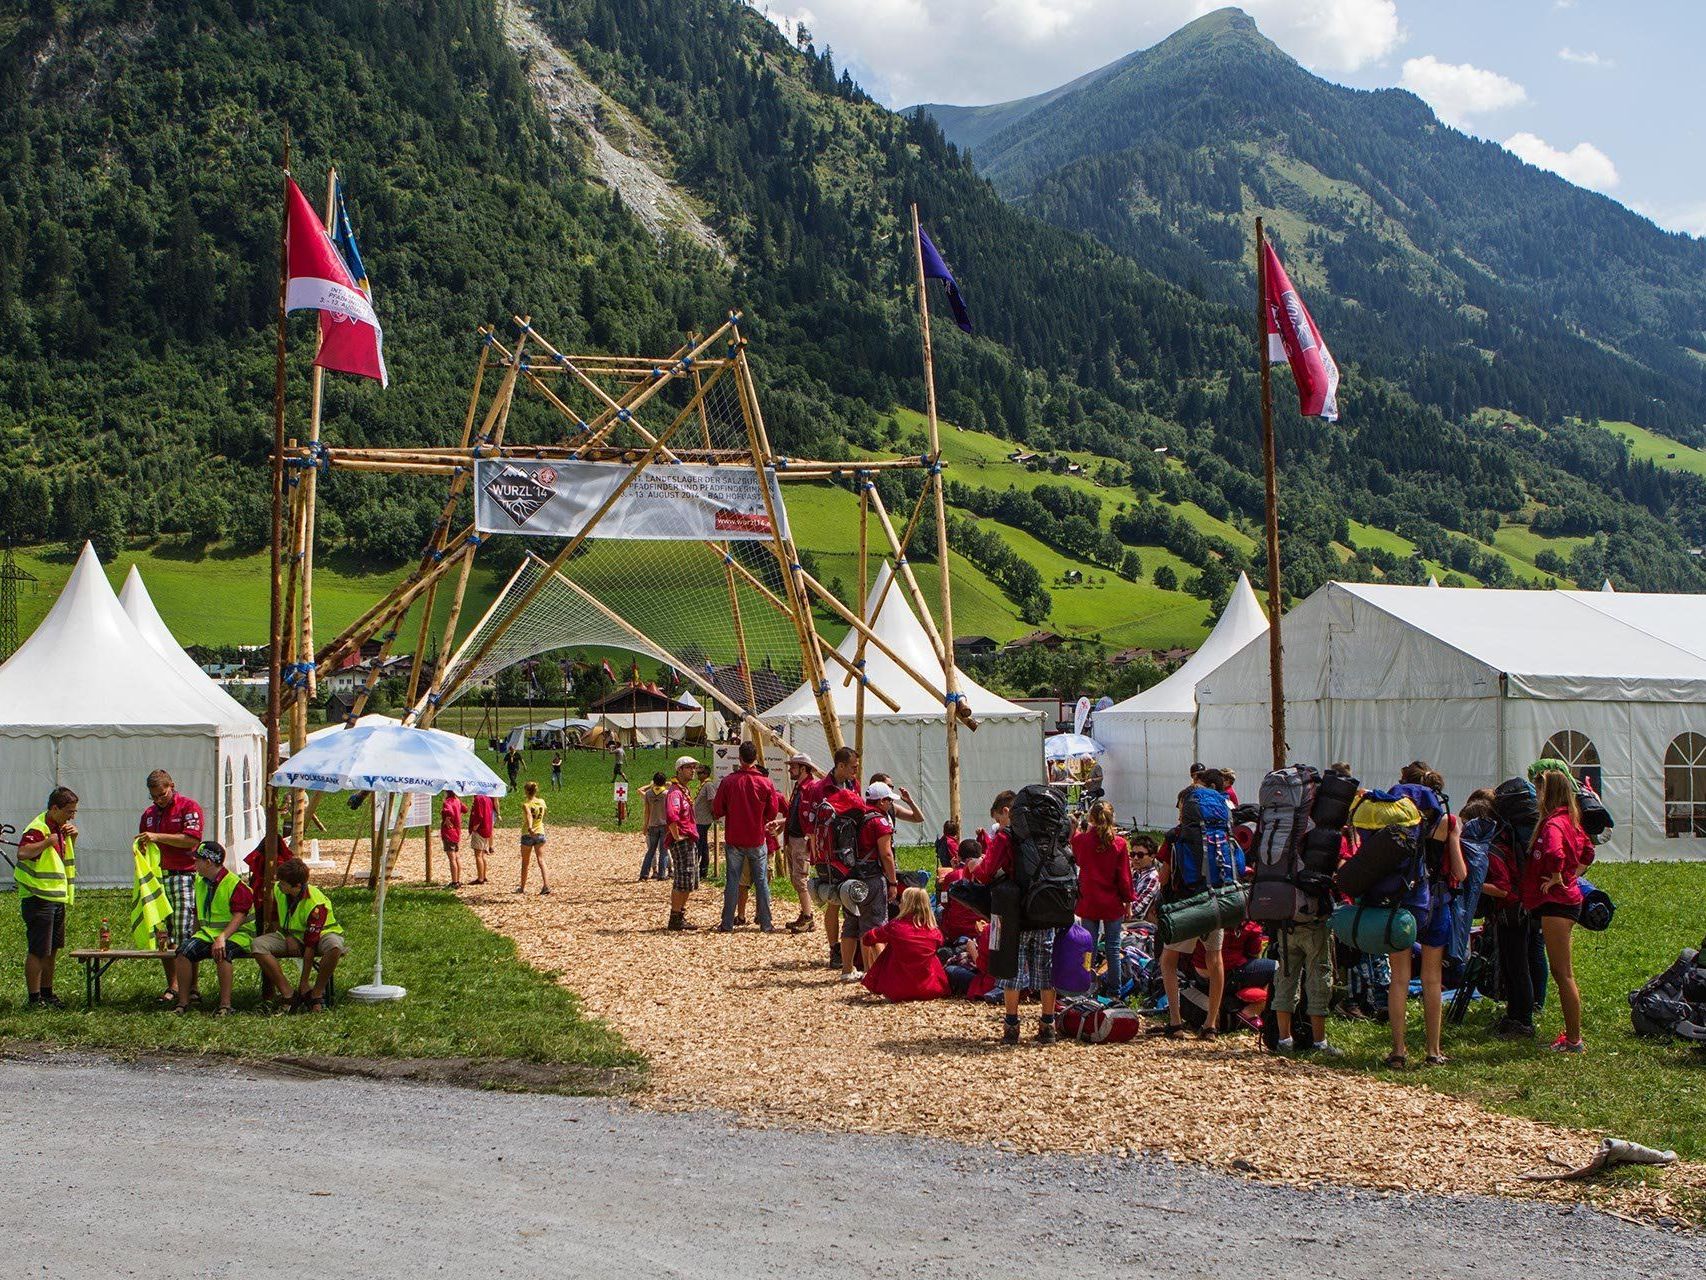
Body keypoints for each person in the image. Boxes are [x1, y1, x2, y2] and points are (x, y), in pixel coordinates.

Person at [1384, 767, 1466, 1068]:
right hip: (1437, 905)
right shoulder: (1448, 822)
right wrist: (1454, 836)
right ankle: (1433, 1051)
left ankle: (1398, 1050)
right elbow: (1460, 873)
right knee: (1433, 979)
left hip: (1402, 904)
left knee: (1400, 979)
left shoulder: (1396, 819)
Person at [1150, 769, 1237, 1040]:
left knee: (1169, 960)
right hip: (1216, 901)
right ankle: (1211, 1023)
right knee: (1214, 960)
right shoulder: (1222, 832)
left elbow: (1164, 876)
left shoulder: (1176, 836)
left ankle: (1175, 1022)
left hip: (1186, 904)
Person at [970, 790, 1058, 1044]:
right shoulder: (1047, 831)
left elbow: (986, 873)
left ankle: (1011, 1026)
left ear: (1007, 811)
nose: (998, 822)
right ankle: (1047, 1025)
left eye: (998, 816)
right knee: (1045, 967)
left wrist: (977, 867)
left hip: (1017, 910)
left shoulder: (1006, 836)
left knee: (1014, 970)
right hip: (1047, 906)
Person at [1523, 769, 1593, 1053]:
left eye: (1540, 790)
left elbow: (1554, 852)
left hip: (1557, 903)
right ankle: (1572, 1034)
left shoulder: (1553, 824)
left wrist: (1556, 876)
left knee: (1562, 973)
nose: (1537, 796)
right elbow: (1588, 851)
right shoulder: (1571, 820)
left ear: (1548, 793)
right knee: (1563, 971)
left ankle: (1574, 1040)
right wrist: (1572, 874)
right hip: (1568, 899)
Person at [139, 769, 206, 1004]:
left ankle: (193, 987)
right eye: (154, 796)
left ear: (172, 786)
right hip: (158, 878)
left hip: (183, 875)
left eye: (162, 794)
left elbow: (191, 839)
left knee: (185, 933)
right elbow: (146, 842)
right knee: (163, 935)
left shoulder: (189, 807)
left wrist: (158, 837)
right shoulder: (148, 814)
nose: (159, 800)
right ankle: (174, 985)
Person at [251, 857, 348, 1012]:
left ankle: (316, 993)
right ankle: (288, 994)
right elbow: (276, 918)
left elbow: (310, 945)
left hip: (323, 933)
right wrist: (288, 936)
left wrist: (304, 982)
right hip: (291, 934)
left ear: (297, 885)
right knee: (258, 945)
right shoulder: (279, 889)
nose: (279, 885)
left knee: (334, 946)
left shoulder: (316, 904)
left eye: (283, 883)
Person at [15, 787, 78, 1009]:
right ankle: (34, 998)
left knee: (52, 949)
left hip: (55, 897)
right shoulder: (38, 828)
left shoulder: (60, 828)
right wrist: (46, 842)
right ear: (54, 808)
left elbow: (59, 859)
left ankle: (47, 993)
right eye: (69, 811)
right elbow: (22, 853)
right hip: (38, 897)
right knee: (38, 949)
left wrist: (72, 839)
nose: (72, 815)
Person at [172, 842, 252, 1015]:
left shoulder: (234, 884)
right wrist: (193, 937)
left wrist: (222, 938)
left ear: (208, 862)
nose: (194, 864)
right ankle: (183, 1002)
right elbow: (197, 913)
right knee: (183, 952)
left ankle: (225, 1005)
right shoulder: (200, 882)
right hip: (209, 934)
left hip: (238, 934)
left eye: (197, 860)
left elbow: (240, 916)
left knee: (223, 953)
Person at [804, 746, 862, 965]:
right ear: (841, 766)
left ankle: (851, 949)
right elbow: (810, 825)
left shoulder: (853, 785)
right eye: (853, 768)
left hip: (852, 851)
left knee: (852, 897)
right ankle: (834, 948)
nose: (855, 772)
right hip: (829, 855)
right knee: (834, 900)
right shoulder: (820, 789)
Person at [714, 742, 781, 933]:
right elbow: (772, 812)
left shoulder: (728, 781)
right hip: (757, 838)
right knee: (761, 882)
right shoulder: (766, 783)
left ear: (740, 758)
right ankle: (766, 923)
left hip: (734, 838)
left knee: (733, 881)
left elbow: (718, 809)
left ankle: (727, 923)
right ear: (755, 759)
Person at [839, 781, 898, 980]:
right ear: (881, 801)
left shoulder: (856, 816)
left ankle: (847, 970)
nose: (891, 804)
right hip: (871, 878)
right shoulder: (879, 822)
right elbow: (886, 854)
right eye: (889, 800)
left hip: (850, 878)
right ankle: (872, 972)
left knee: (850, 923)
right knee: (873, 925)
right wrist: (893, 882)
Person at [1072, 802, 1132, 997]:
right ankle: (1116, 991)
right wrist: (1128, 900)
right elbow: (1124, 877)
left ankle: (1087, 987)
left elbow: (1078, 861)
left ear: (1090, 818)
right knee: (1113, 947)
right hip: (1112, 901)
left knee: (1088, 948)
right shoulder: (1120, 844)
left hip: (1089, 899)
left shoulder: (1081, 841)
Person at [859, 887, 948, 1001]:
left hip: (898, 990)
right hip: (930, 989)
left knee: (881, 944)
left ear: (905, 905)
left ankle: (874, 979)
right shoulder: (934, 931)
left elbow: (867, 938)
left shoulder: (896, 926)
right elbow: (940, 943)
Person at [781, 753, 820, 934]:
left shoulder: (812, 788)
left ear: (803, 768)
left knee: (801, 878)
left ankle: (808, 918)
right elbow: (795, 814)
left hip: (802, 840)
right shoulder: (800, 786)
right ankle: (805, 913)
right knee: (796, 879)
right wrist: (782, 825)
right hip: (793, 838)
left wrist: (810, 839)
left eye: (794, 766)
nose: (790, 769)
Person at [665, 757, 702, 931]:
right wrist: (677, 835)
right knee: (682, 878)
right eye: (688, 767)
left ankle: (680, 914)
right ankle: (675, 916)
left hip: (689, 838)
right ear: (679, 770)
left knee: (689, 879)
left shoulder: (684, 790)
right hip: (682, 840)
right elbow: (672, 815)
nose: (692, 771)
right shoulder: (675, 792)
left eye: (694, 768)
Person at [515, 781, 550, 895]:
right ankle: (546, 885)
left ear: (526, 791)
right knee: (541, 860)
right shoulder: (542, 802)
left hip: (527, 834)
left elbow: (529, 816)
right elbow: (544, 814)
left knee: (525, 862)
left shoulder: (526, 804)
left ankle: (522, 887)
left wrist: (530, 827)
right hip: (540, 832)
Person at [639, 771, 672, 881]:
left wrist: (645, 825)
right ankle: (662, 875)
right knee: (663, 850)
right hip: (664, 825)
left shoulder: (648, 794)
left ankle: (644, 874)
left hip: (652, 824)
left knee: (651, 851)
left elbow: (646, 811)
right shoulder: (667, 794)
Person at [693, 763, 717, 879]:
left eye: (700, 773)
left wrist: (713, 814)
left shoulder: (708, 785)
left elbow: (712, 801)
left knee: (701, 845)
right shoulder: (702, 785)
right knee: (701, 844)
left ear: (706, 774)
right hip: (698, 819)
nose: (698, 774)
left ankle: (702, 870)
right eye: (698, 772)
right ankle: (700, 870)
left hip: (704, 820)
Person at [467, 790, 494, 886]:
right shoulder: (488, 798)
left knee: (478, 854)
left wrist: (474, 827)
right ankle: (484, 875)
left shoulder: (478, 798)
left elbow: (479, 815)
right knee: (482, 854)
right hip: (487, 828)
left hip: (480, 829)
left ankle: (480, 878)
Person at [440, 790, 465, 889]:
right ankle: (458, 880)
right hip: (456, 833)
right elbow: (465, 809)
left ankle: (454, 882)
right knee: (456, 857)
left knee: (452, 858)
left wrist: (447, 818)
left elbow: (448, 811)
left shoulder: (448, 802)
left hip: (449, 833)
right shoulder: (457, 800)